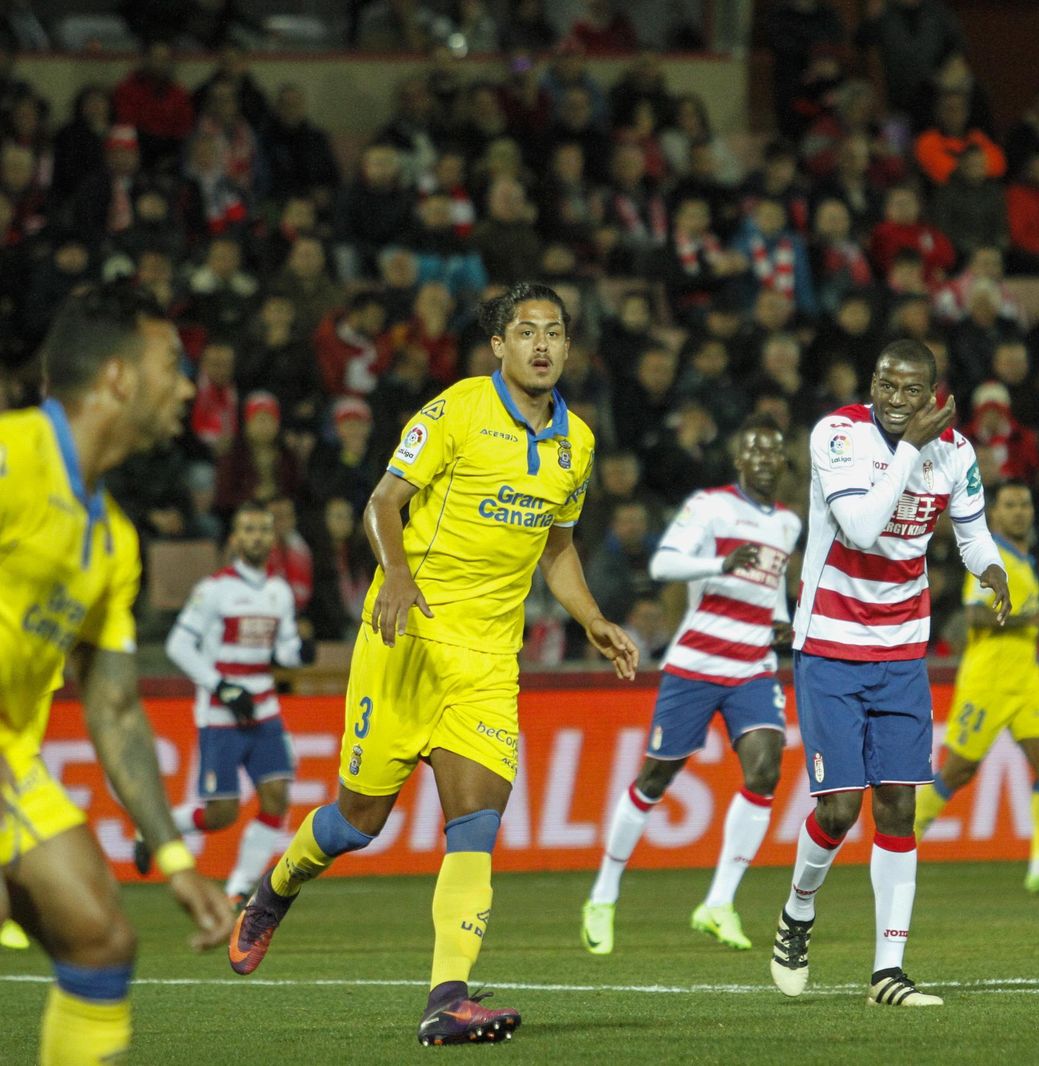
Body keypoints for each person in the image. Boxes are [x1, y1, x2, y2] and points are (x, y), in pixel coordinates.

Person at [228, 283, 639, 1046]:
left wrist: (594, 619)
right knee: (360, 821)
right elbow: (383, 503)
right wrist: (403, 578)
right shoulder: (455, 411)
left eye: (554, 332)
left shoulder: (576, 444)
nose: (542, 344)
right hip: (406, 638)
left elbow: (557, 548)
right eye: (526, 332)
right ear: (499, 346)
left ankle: (446, 999)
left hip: (487, 660)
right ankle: (276, 888)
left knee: (476, 823)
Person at [0, 284, 233, 1061]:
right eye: (173, 363)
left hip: (11, 760)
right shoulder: (14, 457)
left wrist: (173, 858)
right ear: (119, 378)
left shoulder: (115, 542)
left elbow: (118, 709)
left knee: (100, 939)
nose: (188, 386)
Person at [768, 339, 1007, 1009]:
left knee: (899, 805)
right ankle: (797, 911)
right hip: (831, 645)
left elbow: (972, 530)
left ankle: (888, 972)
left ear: (934, 392)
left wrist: (990, 568)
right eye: (885, 385)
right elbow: (864, 526)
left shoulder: (956, 452)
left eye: (910, 390)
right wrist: (909, 451)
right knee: (840, 809)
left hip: (903, 649)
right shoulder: (838, 434)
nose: (895, 400)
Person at [582, 416, 803, 954]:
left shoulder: (788, 525)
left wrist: (781, 620)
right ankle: (604, 895)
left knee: (766, 767)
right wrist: (719, 562)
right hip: (697, 660)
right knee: (657, 777)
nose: (765, 460)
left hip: (752, 665)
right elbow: (662, 564)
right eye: (755, 451)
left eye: (773, 452)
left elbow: (771, 587)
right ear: (738, 461)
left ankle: (719, 902)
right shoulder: (709, 507)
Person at [913, 480, 1039, 895]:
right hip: (988, 679)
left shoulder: (1023, 559)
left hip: (1026, 677)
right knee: (958, 771)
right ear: (995, 514)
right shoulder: (990, 558)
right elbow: (974, 615)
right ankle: (899, 844)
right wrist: (1031, 620)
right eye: (1010, 505)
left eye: (1025, 503)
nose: (1020, 511)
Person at [145, 501, 311, 904]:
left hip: (265, 710)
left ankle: (238, 890)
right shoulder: (214, 589)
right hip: (220, 715)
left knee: (276, 797)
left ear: (272, 539)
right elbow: (179, 645)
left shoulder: (278, 591)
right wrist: (220, 686)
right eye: (248, 529)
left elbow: (284, 649)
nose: (256, 537)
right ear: (236, 538)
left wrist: (300, 650)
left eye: (263, 530)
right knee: (222, 814)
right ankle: (152, 831)